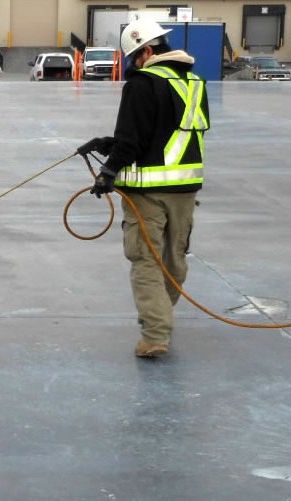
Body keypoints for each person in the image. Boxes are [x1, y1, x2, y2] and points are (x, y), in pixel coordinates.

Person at [76, 18, 210, 358]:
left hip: (147, 192)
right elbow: (166, 132)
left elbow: (134, 139)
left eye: (135, 56)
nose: (134, 63)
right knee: (175, 259)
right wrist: (109, 143)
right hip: (186, 189)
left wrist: (108, 172)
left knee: (145, 260)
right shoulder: (193, 83)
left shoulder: (142, 82)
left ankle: (155, 335)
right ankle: (162, 317)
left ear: (147, 51)